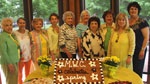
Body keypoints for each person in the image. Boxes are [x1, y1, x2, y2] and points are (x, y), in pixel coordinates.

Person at [127, 2, 149, 77]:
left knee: (137, 71)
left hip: (139, 50)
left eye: (135, 9)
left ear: (138, 11)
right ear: (129, 10)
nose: (133, 10)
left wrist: (142, 50)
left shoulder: (142, 22)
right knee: (129, 71)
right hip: (128, 50)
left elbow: (146, 37)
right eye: (131, 9)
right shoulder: (126, 21)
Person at [0, 18, 20, 84]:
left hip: (15, 60)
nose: (9, 27)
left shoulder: (11, 35)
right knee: (11, 81)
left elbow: (17, 46)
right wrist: (9, 64)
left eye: (10, 25)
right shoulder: (2, 37)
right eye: (6, 25)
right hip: (8, 62)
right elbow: (3, 52)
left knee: (14, 80)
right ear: (2, 27)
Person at [13, 18, 31, 84]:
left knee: (28, 73)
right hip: (19, 57)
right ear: (17, 24)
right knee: (19, 74)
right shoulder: (14, 33)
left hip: (28, 56)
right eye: (20, 23)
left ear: (25, 24)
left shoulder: (27, 32)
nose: (22, 24)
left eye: (23, 23)